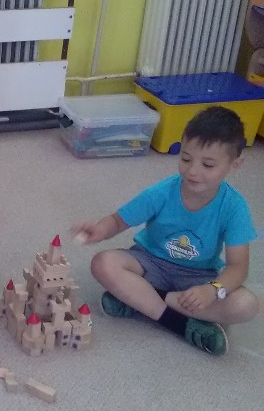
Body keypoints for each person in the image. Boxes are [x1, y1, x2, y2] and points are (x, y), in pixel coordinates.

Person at [72, 106, 260, 356]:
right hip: (150, 263)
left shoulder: (234, 207)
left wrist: (212, 290)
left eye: (207, 164)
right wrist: (100, 229)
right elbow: (118, 221)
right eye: (185, 158)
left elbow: (238, 267)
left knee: (246, 305)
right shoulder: (162, 192)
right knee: (103, 263)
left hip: (198, 276)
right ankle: (177, 323)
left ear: (235, 164)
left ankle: (139, 301)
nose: (193, 171)